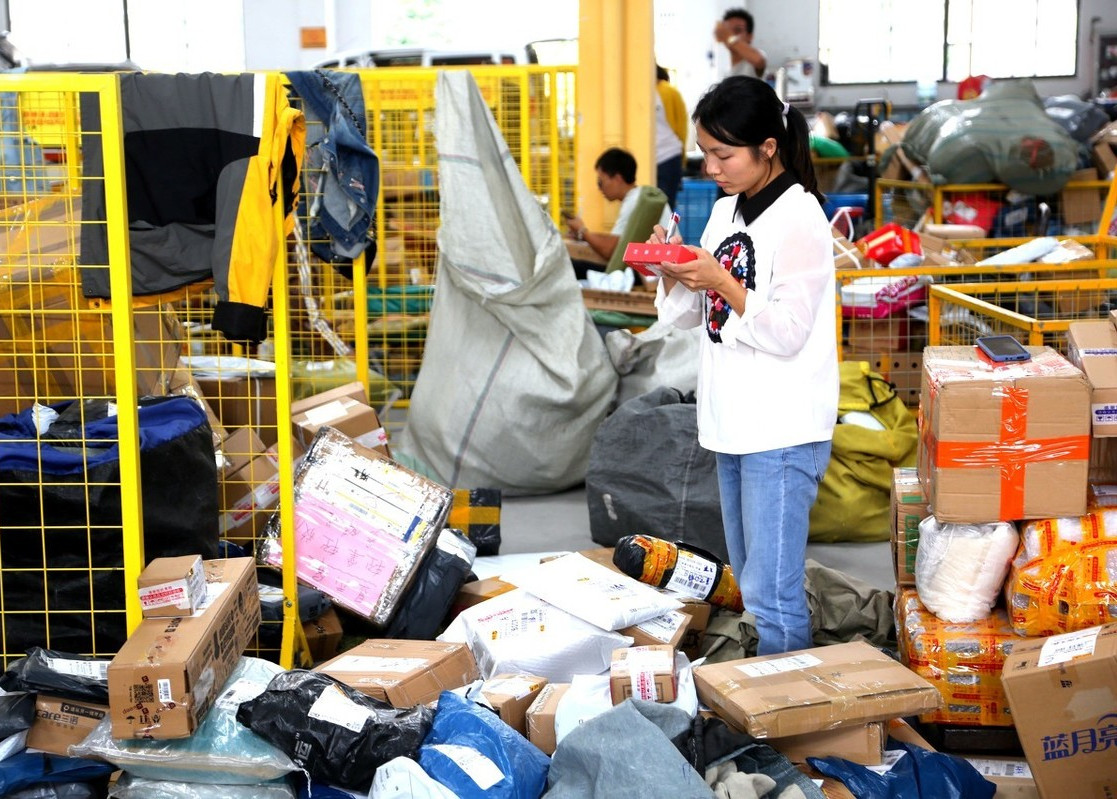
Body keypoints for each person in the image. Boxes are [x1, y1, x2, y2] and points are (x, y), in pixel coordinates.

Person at [650, 76, 838, 656]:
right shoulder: (727, 211)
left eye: (723, 154)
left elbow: (785, 332)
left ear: (768, 147)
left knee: (773, 592)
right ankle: (772, 704)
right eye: (705, 152)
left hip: (781, 430)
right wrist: (670, 271)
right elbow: (692, 318)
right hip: (734, 423)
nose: (711, 167)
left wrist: (720, 281)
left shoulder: (800, 218)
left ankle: (794, 726)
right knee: (752, 587)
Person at [565, 147, 672, 279]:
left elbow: (610, 250)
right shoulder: (639, 196)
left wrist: (582, 231)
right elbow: (616, 242)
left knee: (571, 266)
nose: (600, 188)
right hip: (652, 269)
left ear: (617, 178)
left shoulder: (635, 201)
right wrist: (582, 235)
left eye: (601, 181)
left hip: (646, 273)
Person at [655, 65, 687, 209]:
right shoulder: (669, 91)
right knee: (664, 209)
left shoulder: (666, 91)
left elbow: (680, 128)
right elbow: (681, 129)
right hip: (668, 156)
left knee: (659, 210)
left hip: (664, 156)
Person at [714, 8, 767, 79]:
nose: (731, 35)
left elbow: (758, 60)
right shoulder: (726, 71)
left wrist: (729, 38)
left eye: (737, 30)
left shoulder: (756, 58)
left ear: (749, 36)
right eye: (727, 31)